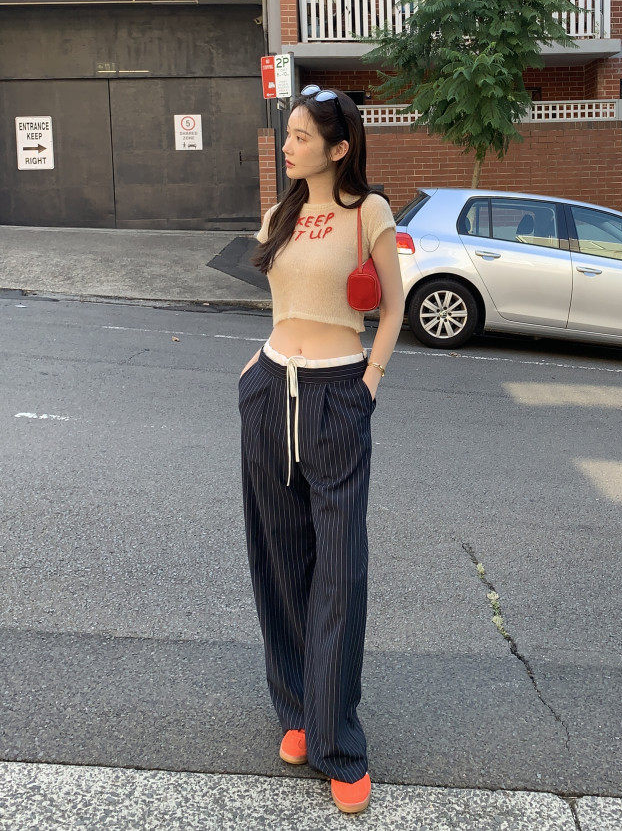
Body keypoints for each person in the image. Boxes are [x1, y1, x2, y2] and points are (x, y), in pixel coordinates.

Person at [237, 84, 404, 815]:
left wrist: (370, 381)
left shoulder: (369, 213)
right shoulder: (281, 212)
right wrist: (257, 364)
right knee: (280, 558)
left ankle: (339, 742)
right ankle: (299, 710)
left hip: (339, 393)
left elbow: (394, 305)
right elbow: (282, 301)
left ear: (339, 148)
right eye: (289, 134)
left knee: (338, 571)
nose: (288, 145)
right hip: (272, 389)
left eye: (302, 136)